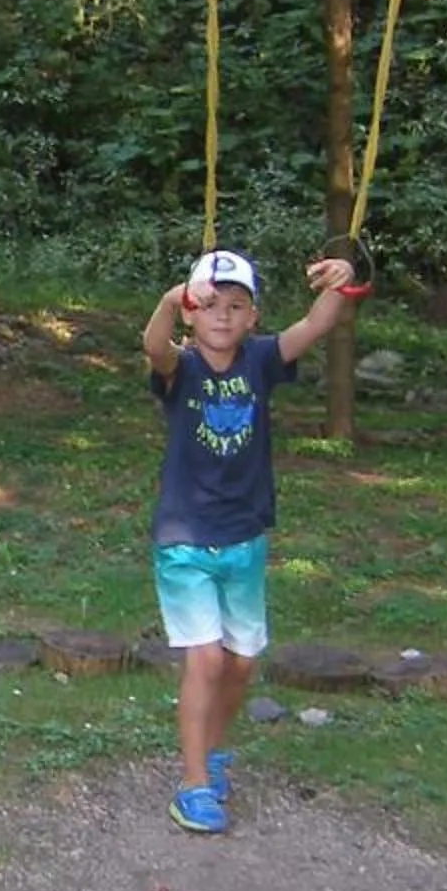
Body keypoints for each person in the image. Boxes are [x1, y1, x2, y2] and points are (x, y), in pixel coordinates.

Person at [141, 246, 357, 833]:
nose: (223, 316)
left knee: (240, 664)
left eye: (237, 306)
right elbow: (154, 347)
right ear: (191, 312)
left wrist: (342, 281)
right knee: (206, 660)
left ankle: (208, 753)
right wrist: (167, 301)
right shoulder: (180, 368)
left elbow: (317, 323)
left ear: (253, 317)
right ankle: (191, 786)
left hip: (244, 538)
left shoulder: (260, 361)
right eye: (210, 305)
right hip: (185, 538)